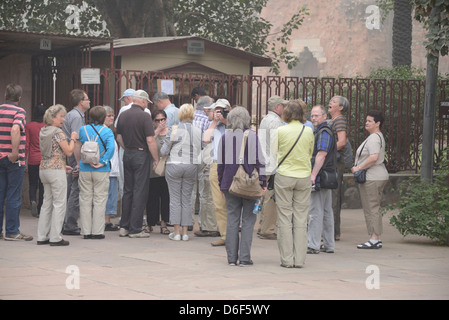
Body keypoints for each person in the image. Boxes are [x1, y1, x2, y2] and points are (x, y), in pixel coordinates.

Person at [217, 106, 266, 266]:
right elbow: (260, 162)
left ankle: (231, 258)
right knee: (248, 221)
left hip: (230, 184)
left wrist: (221, 185)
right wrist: (263, 182)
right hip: (250, 184)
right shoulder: (253, 137)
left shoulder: (225, 137)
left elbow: (220, 164)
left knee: (232, 219)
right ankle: (245, 258)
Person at [273, 99, 314, 268]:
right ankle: (300, 259)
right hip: (304, 175)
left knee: (284, 216)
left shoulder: (280, 131)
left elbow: (273, 153)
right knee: (301, 218)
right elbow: (310, 152)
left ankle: (287, 259)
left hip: (284, 175)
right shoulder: (308, 131)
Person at [116, 90, 159, 238]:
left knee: (128, 189)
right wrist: (156, 158)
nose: (147, 104)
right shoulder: (144, 116)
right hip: (141, 154)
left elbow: (119, 136)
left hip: (127, 153)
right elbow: (150, 140)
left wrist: (126, 148)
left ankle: (124, 226)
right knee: (140, 190)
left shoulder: (123, 114)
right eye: (146, 101)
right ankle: (135, 228)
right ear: (141, 101)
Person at [37, 104, 78, 246]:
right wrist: (72, 138)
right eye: (61, 116)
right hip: (55, 171)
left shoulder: (43, 130)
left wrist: (62, 165)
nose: (64, 120)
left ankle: (42, 235)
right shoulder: (58, 132)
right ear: (53, 117)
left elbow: (52, 152)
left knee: (46, 203)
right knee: (59, 203)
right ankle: (55, 237)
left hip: (44, 169)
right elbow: (69, 151)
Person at [160, 104, 201, 241]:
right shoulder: (197, 130)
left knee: (175, 199)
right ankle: (185, 232)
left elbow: (164, 151)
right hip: (191, 165)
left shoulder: (174, 129)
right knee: (187, 199)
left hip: (174, 165)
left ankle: (176, 232)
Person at [0, 83, 33, 241]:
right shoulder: (19, 111)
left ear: (5, 95)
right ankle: (12, 231)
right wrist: (14, 153)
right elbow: (15, 129)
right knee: (13, 195)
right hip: (13, 159)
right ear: (19, 98)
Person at [351, 110, 389, 249]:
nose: (366, 123)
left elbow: (373, 157)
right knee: (373, 206)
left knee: (371, 207)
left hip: (373, 177)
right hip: (377, 175)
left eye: (370, 121)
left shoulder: (374, 138)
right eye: (366, 120)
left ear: (377, 123)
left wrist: (358, 168)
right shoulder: (376, 136)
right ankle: (375, 237)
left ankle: (375, 238)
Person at [78, 106, 115, 239]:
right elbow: (111, 148)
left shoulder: (83, 129)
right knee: (100, 199)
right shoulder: (107, 131)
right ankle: (97, 231)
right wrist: (103, 161)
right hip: (101, 169)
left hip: (85, 167)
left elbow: (80, 145)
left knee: (85, 199)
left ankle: (86, 231)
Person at [307, 105, 337, 254]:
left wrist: (313, 175)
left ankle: (313, 245)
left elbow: (321, 155)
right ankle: (329, 244)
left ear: (325, 117)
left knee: (315, 212)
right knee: (326, 211)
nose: (313, 118)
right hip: (327, 175)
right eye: (312, 116)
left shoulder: (323, 132)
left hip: (320, 176)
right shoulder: (324, 131)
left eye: (317, 115)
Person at [258, 95, 288, 240]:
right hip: (272, 163)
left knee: (266, 197)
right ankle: (267, 229)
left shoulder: (265, 119)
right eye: (282, 105)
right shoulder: (276, 122)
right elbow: (278, 144)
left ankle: (263, 225)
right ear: (277, 107)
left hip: (264, 162)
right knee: (271, 198)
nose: (284, 108)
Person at [61, 89, 90, 236]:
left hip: (70, 154)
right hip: (74, 155)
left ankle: (64, 222)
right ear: (81, 102)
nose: (89, 101)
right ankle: (70, 224)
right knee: (75, 190)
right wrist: (79, 163)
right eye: (87, 99)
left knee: (70, 190)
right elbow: (77, 141)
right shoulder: (77, 117)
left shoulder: (72, 115)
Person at [203, 98, 231, 246]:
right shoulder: (214, 126)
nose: (219, 113)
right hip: (216, 164)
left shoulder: (234, 124)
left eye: (221, 110)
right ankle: (225, 235)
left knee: (232, 201)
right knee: (219, 203)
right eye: (216, 110)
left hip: (232, 166)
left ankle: (233, 234)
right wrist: (215, 121)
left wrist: (226, 120)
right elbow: (206, 139)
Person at [192, 96, 219, 238]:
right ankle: (207, 225)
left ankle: (207, 225)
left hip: (203, 159)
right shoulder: (209, 121)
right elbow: (206, 139)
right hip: (205, 159)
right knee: (206, 193)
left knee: (205, 193)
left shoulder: (217, 123)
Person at [145, 110, 170, 235]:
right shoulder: (151, 133)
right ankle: (150, 223)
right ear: (153, 121)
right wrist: (157, 131)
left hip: (167, 171)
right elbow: (149, 143)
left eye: (163, 119)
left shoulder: (170, 132)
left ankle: (164, 223)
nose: (161, 122)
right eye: (157, 120)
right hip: (153, 170)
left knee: (165, 197)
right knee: (152, 198)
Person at [328, 95, 349, 241]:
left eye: (334, 102)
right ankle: (333, 231)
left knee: (333, 196)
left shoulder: (340, 120)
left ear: (340, 107)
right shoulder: (334, 120)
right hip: (333, 161)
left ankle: (334, 231)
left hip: (336, 161)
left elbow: (342, 142)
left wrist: (326, 150)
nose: (330, 102)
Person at [25, 102, 46, 217]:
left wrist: (24, 161)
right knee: (43, 185)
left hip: (32, 159)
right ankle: (40, 208)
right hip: (44, 159)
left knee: (33, 183)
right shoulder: (46, 126)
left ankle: (32, 200)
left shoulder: (29, 126)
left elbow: (26, 144)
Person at [103, 106, 120, 231]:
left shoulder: (108, 131)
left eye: (112, 115)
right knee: (108, 195)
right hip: (108, 169)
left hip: (111, 169)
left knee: (110, 195)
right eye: (108, 115)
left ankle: (106, 219)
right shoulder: (105, 131)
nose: (111, 117)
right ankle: (106, 220)